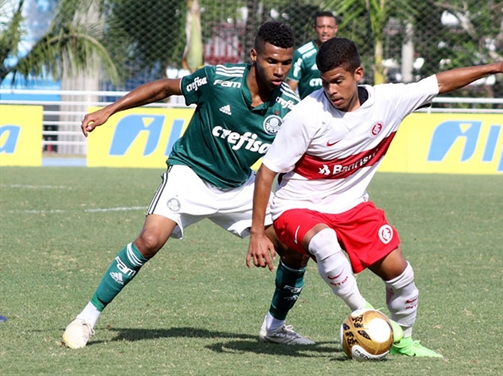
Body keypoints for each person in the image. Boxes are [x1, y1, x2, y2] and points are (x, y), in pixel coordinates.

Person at [247, 37, 503, 357]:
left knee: (402, 277)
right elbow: (267, 171)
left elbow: (438, 82)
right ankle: (372, 319)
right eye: (325, 83)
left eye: (338, 81)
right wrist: (258, 232)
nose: (331, 90)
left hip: (352, 206)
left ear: (358, 74)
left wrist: (496, 67)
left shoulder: (389, 101)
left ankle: (403, 339)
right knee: (324, 244)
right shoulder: (307, 114)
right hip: (297, 206)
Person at [62, 21, 314, 349]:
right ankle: (86, 318)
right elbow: (166, 87)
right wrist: (110, 110)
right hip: (190, 174)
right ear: (254, 55)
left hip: (238, 187)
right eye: (271, 61)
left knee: (295, 251)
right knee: (150, 240)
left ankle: (275, 327)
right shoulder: (217, 80)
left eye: (286, 63)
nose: (280, 69)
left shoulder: (290, 109)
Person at [286, 11, 338, 99]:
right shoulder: (301, 54)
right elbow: (290, 89)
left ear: (335, 29)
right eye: (321, 27)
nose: (325, 31)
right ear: (314, 28)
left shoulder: (343, 52)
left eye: (329, 27)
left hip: (336, 107)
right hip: (309, 109)